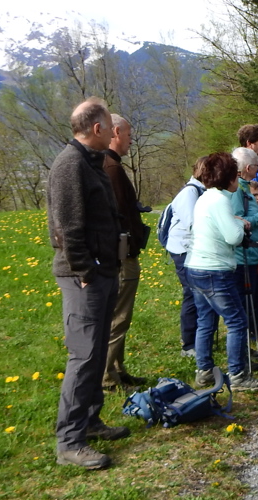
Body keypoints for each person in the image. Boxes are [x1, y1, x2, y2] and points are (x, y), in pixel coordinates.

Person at [47, 97, 130, 470]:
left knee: (96, 352)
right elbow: (68, 227)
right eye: (109, 126)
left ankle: (91, 420)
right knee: (83, 358)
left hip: (103, 271)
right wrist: (84, 272)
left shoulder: (89, 162)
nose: (114, 132)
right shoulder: (69, 166)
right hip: (85, 277)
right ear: (96, 129)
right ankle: (70, 441)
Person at [187, 152, 258, 392]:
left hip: (195, 266)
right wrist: (241, 224)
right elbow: (233, 236)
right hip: (215, 270)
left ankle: (204, 371)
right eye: (236, 174)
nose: (238, 178)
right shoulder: (221, 200)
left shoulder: (205, 197)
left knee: (205, 320)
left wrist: (234, 222)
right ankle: (238, 375)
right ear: (229, 177)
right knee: (237, 320)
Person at [101, 114, 148, 390]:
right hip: (122, 254)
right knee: (119, 317)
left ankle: (118, 369)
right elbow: (119, 213)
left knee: (121, 316)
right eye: (129, 134)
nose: (131, 140)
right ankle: (107, 376)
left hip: (123, 252)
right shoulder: (111, 168)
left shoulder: (111, 165)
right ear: (115, 132)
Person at [163, 158, 209, 358]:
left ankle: (200, 339)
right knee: (191, 294)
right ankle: (188, 343)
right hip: (183, 250)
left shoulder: (200, 191)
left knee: (198, 293)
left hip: (192, 249)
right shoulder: (190, 193)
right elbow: (195, 223)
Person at [231, 146, 258, 342]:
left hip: (254, 254)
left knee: (256, 295)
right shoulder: (237, 190)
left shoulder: (244, 186)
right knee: (247, 299)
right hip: (244, 255)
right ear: (247, 167)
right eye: (255, 165)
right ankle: (245, 339)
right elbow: (238, 219)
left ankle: (253, 330)